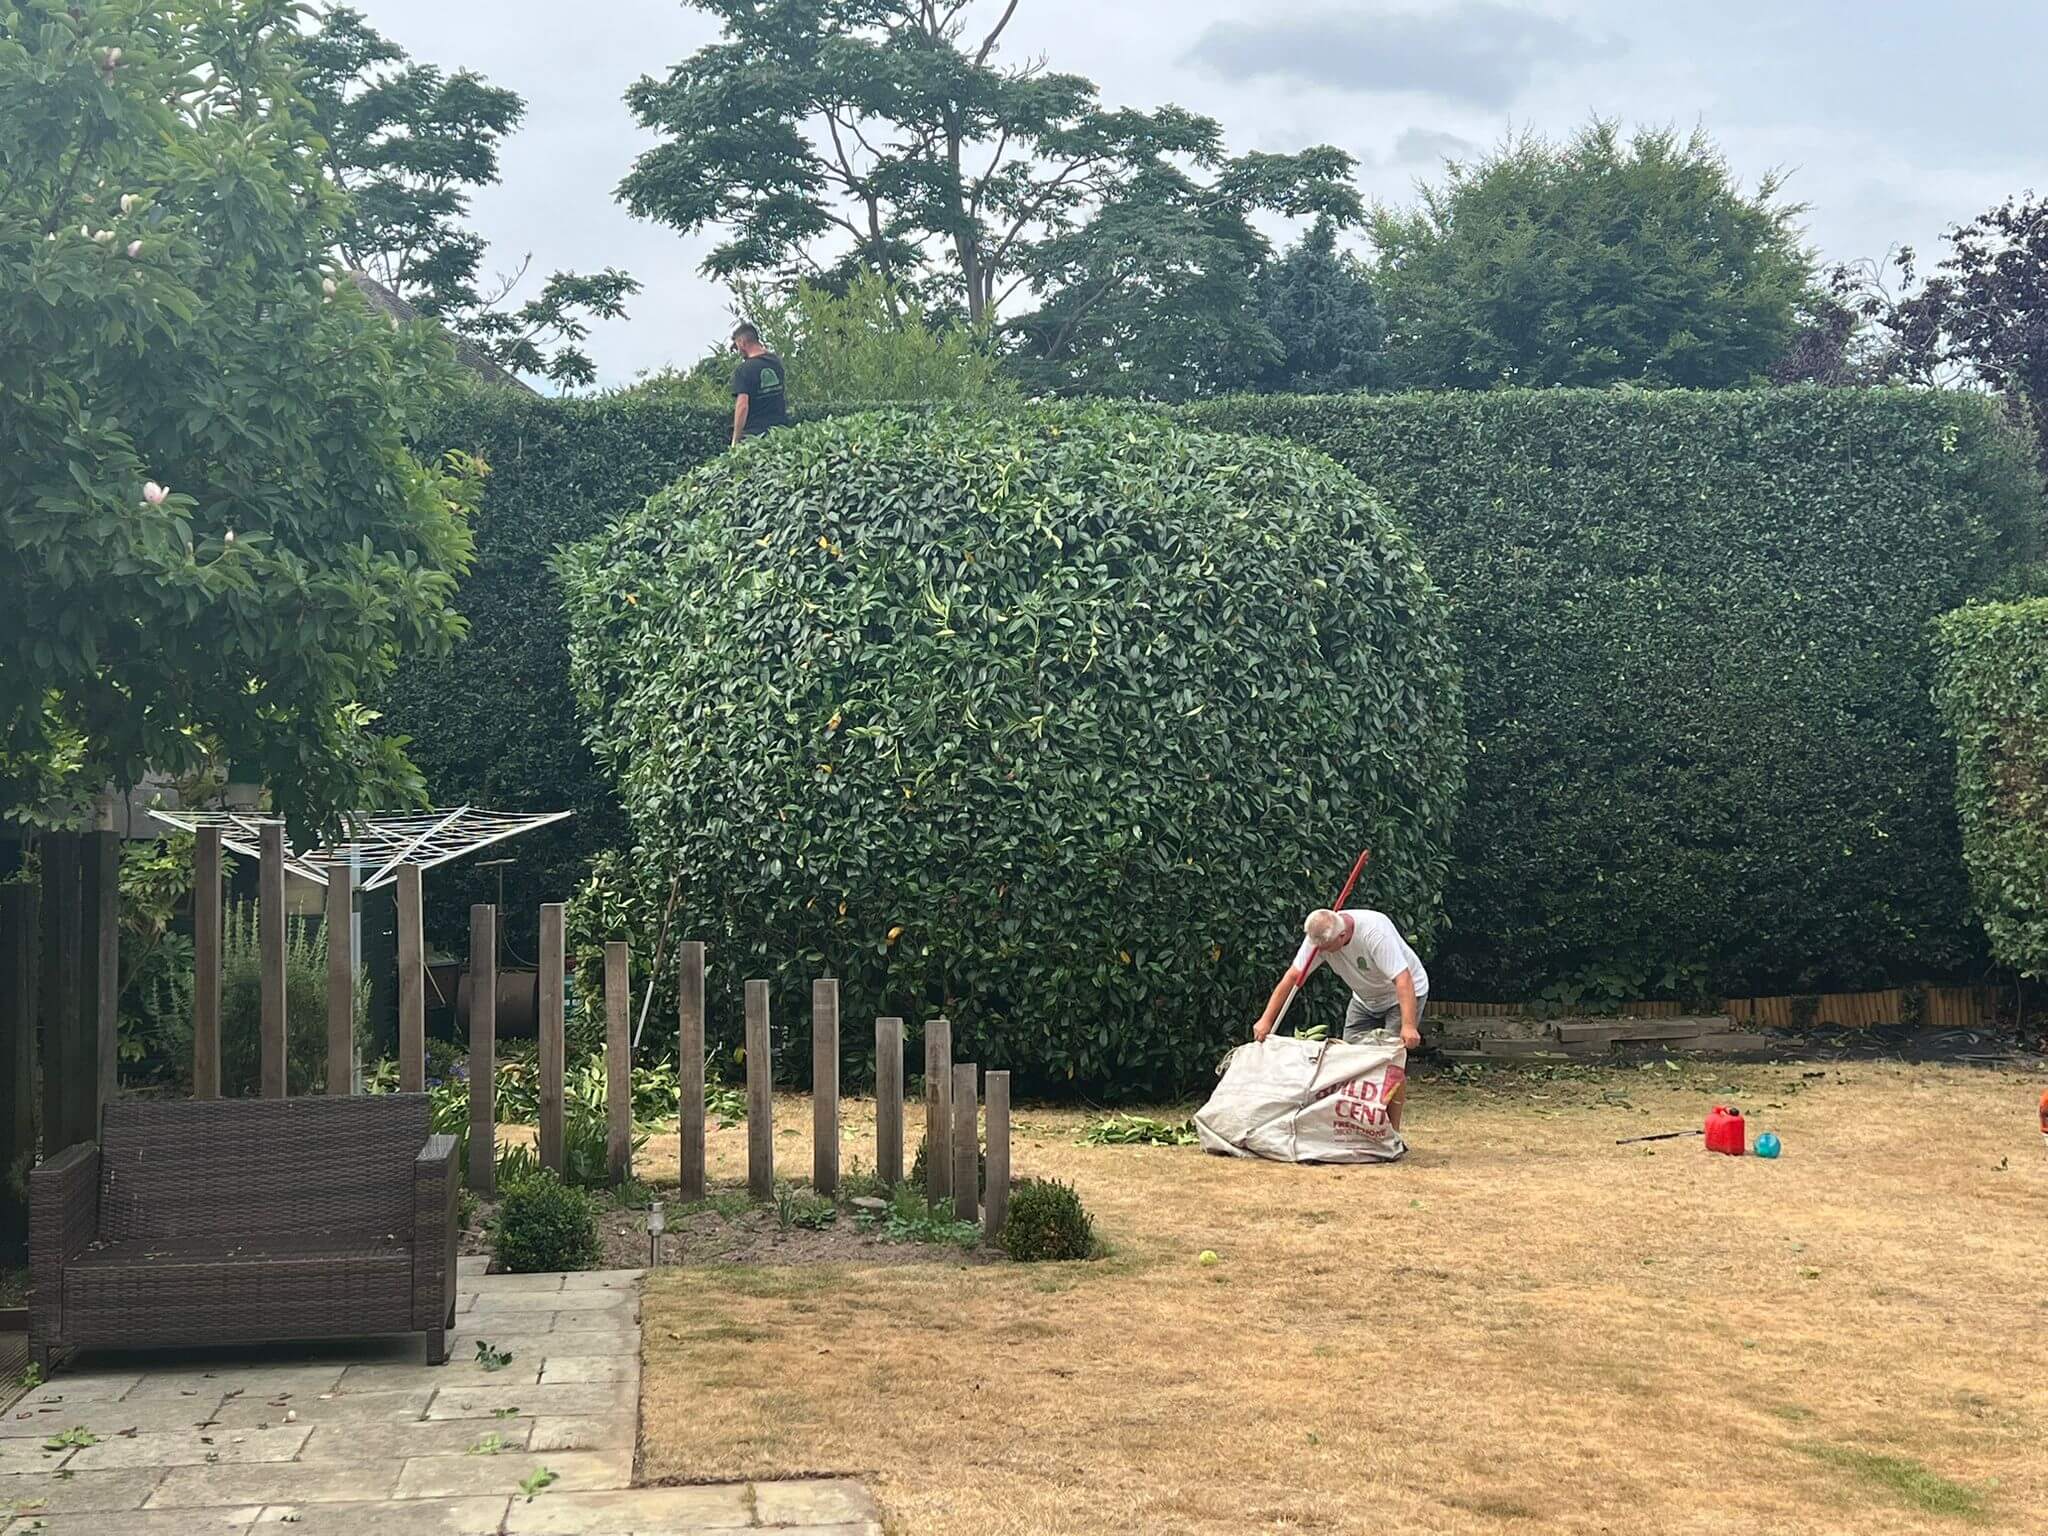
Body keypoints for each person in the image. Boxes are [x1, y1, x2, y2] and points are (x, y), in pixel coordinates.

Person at [1251, 907, 1427, 1050]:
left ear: (1342, 936)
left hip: (1400, 995)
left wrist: (1409, 1026)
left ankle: (1389, 1093)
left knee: (1389, 1056)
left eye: (1326, 948)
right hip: (1364, 999)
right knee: (1348, 1055)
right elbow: (1293, 977)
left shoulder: (1374, 933)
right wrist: (1266, 1020)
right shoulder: (1318, 939)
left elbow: (1403, 979)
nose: (1320, 952)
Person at [728, 321, 789, 445]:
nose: (738, 350)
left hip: (755, 437)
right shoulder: (776, 362)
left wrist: (735, 440)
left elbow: (742, 406)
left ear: (742, 343)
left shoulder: (744, 370)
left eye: (737, 346)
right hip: (781, 433)